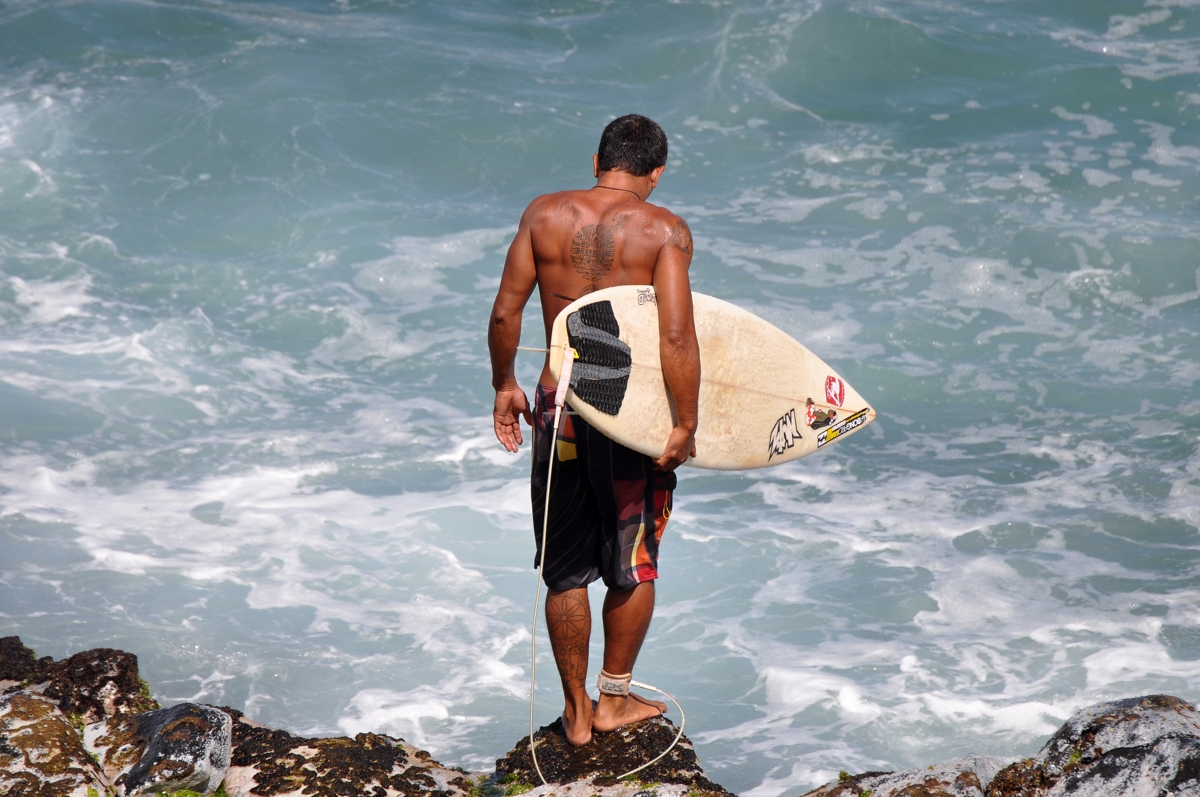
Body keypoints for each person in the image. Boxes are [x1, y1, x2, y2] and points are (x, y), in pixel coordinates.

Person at [488, 114, 700, 746]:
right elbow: (674, 334)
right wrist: (685, 422)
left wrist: (505, 384)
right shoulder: (664, 230)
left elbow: (506, 311)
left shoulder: (542, 214)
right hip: (629, 410)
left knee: (564, 569)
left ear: (596, 161)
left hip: (562, 404)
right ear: (656, 174)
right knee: (631, 559)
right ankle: (613, 699)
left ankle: (575, 714)